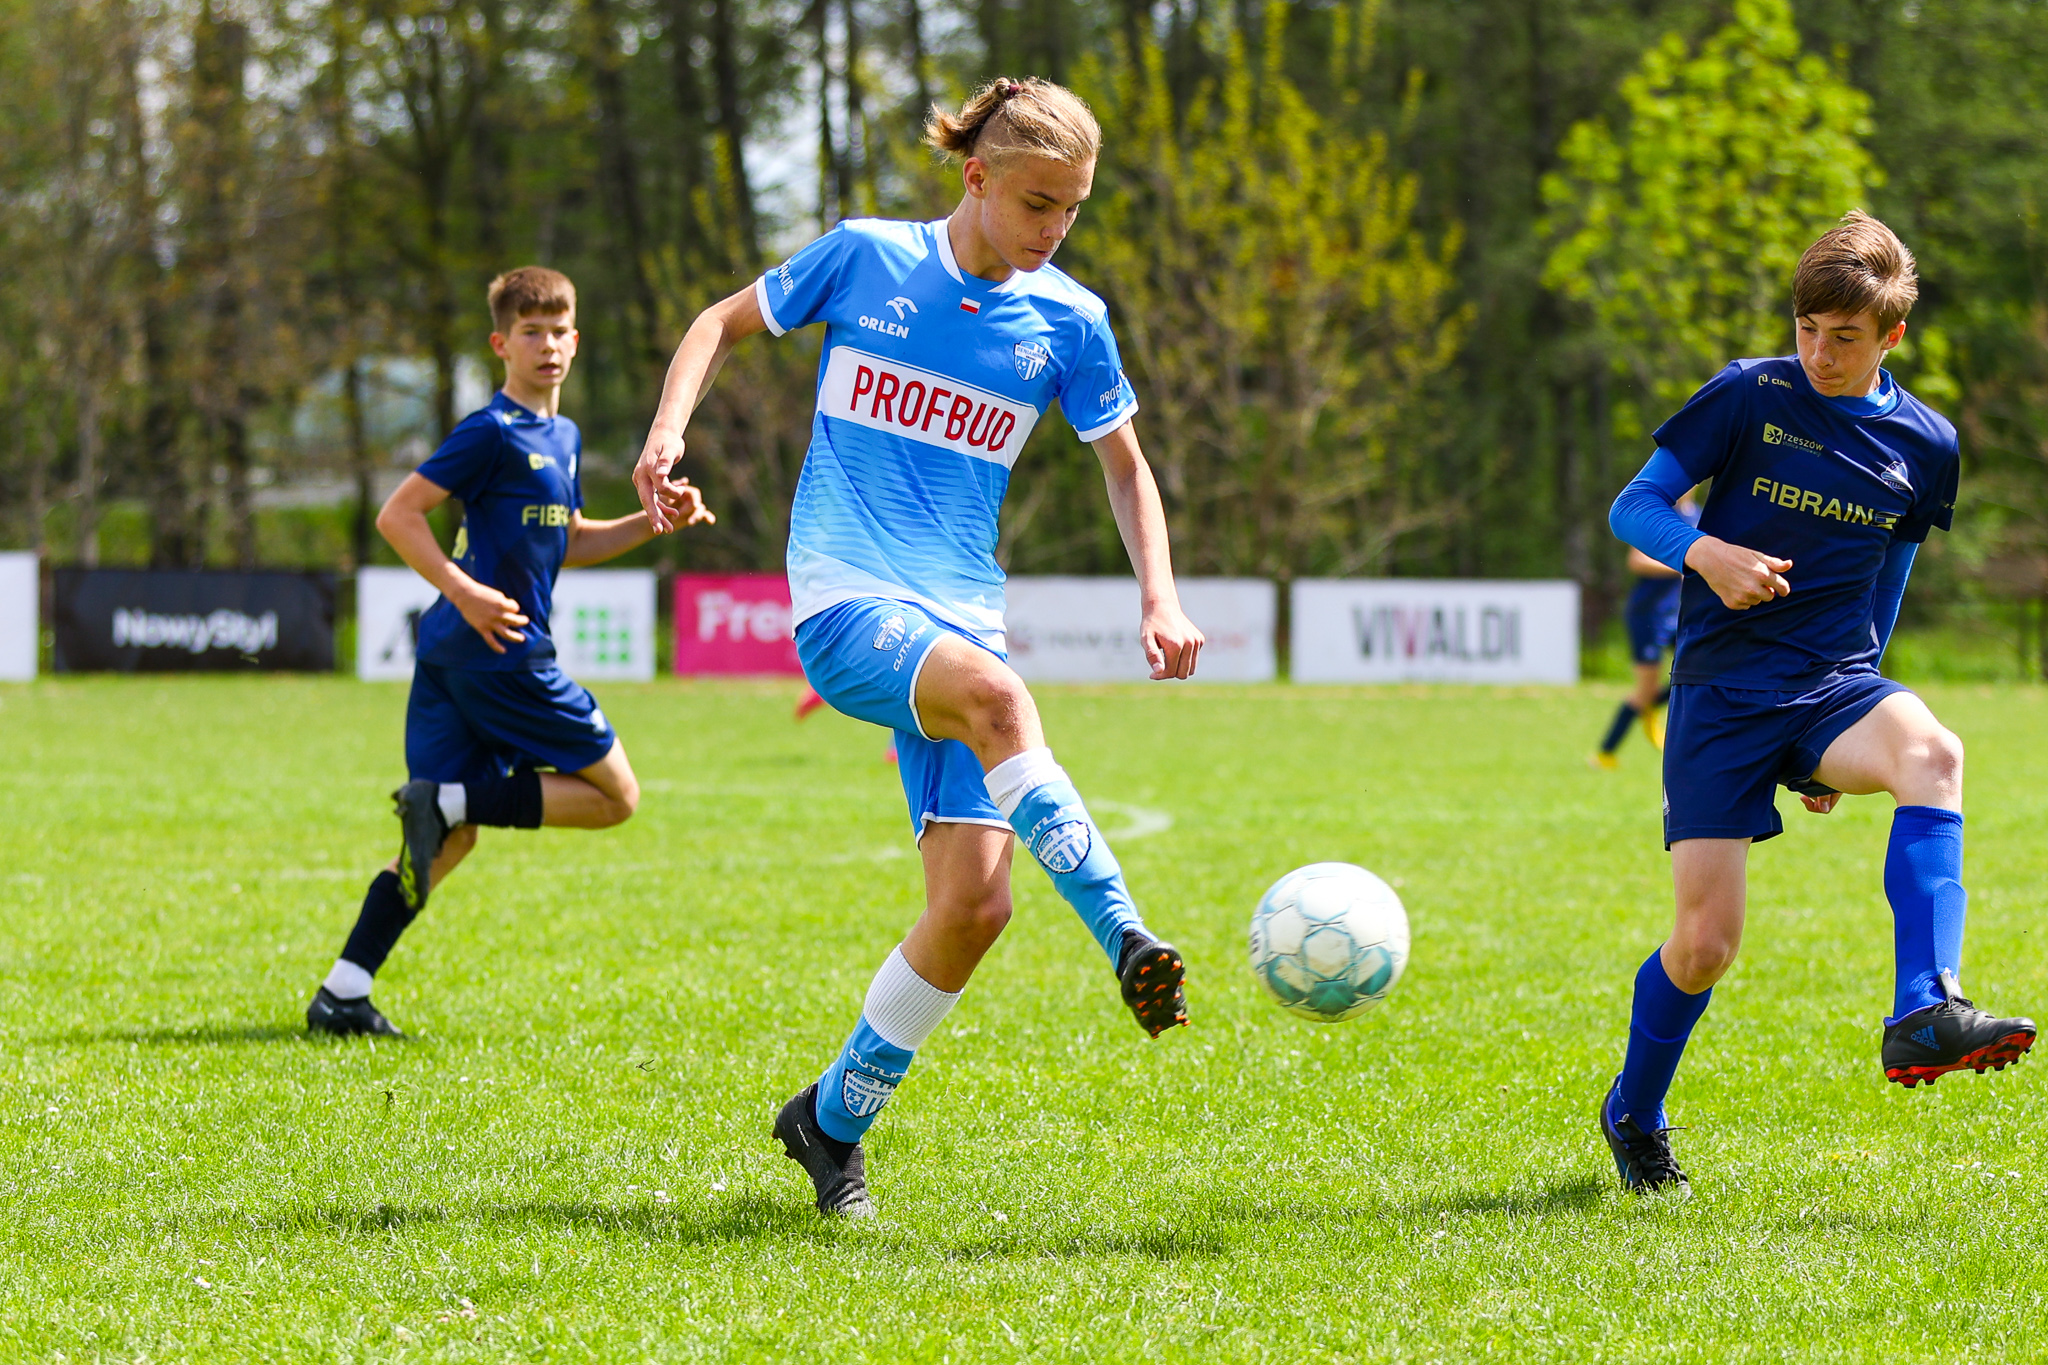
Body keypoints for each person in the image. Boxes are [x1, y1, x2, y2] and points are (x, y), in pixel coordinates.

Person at [633, 76, 1205, 1218]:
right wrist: (664, 435)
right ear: (976, 175)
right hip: (844, 605)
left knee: (974, 909)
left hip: (959, 616)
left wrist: (1161, 598)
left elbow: (1124, 466)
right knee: (1000, 702)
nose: (1054, 230)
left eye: (1074, 210)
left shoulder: (1069, 322)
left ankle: (827, 1122)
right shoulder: (865, 257)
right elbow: (716, 324)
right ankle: (1123, 933)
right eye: (1038, 202)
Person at [1599, 211, 2034, 1193]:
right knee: (1704, 947)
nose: (1817, 352)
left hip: (1833, 683)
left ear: (1890, 337)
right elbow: (1632, 504)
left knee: (1932, 753)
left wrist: (1849, 739)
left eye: (1842, 337)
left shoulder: (1924, 445)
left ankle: (1924, 1007)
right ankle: (1632, 1110)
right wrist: (1702, 552)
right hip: (1718, 694)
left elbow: (1887, 583)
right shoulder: (1746, 395)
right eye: (1805, 328)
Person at [307, 266, 714, 1038]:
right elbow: (400, 516)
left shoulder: (562, 435)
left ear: (577, 339)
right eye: (531, 331)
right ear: (501, 344)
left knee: (443, 843)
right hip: (501, 653)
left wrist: (651, 521)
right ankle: (452, 800)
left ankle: (343, 990)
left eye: (560, 329)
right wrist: (461, 588)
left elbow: (568, 540)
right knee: (616, 796)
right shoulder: (489, 432)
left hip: (454, 658)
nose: (549, 344)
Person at [1591, 493, 1700, 768]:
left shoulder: (1699, 514)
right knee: (1645, 690)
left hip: (1677, 614)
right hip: (1647, 613)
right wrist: (1685, 563)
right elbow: (1637, 561)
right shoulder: (1659, 512)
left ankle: (1652, 713)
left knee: (1700, 668)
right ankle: (1605, 753)